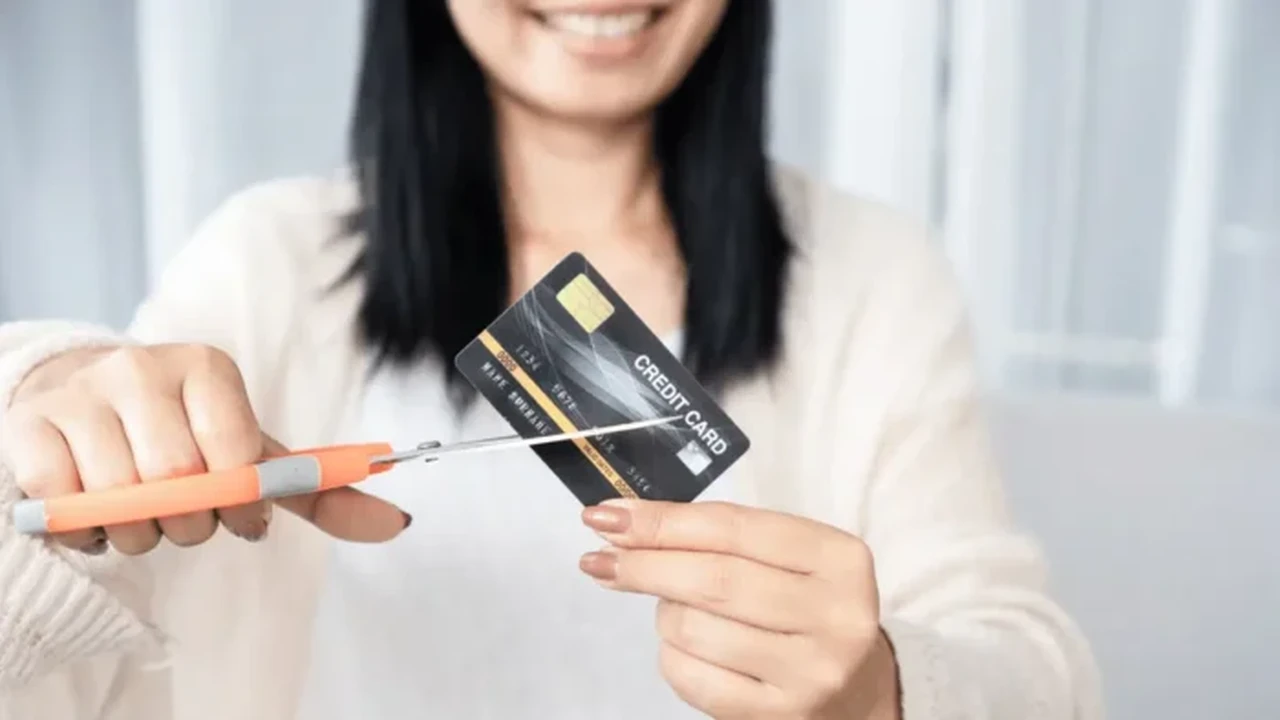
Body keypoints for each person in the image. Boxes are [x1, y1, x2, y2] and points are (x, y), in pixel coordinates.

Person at [0, 1, 1102, 718]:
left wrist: (883, 690)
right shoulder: (265, 260)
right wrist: (34, 405)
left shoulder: (872, 277)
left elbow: (1039, 671)